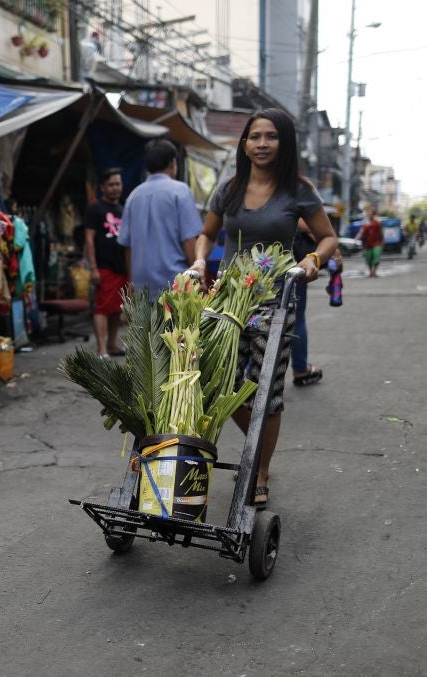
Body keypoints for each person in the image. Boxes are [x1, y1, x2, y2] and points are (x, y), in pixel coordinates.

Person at [189, 108, 337, 509]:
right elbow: (206, 234)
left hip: (275, 301)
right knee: (217, 381)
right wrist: (201, 260)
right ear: (244, 143)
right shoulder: (229, 188)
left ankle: (260, 468)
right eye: (254, 136)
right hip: (228, 300)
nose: (261, 144)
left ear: (283, 142)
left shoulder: (298, 190)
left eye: (270, 136)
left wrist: (313, 261)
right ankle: (249, 448)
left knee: (267, 392)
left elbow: (327, 238)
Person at [117, 139, 202, 298]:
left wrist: (131, 280)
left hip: (142, 286)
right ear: (172, 164)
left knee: (146, 324)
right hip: (175, 284)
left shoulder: (133, 196)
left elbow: (128, 247)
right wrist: (197, 276)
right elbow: (189, 240)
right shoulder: (180, 191)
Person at [291, 220, 343, 387]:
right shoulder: (295, 192)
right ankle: (300, 369)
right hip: (289, 262)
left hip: (253, 261)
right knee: (296, 319)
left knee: (255, 319)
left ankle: (249, 376)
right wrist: (332, 250)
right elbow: (307, 222)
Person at [84, 167, 129, 357]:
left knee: (116, 308)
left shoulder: (123, 208)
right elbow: (89, 239)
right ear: (103, 187)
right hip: (104, 266)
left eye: (118, 184)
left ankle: (112, 344)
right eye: (111, 184)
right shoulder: (95, 208)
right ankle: (101, 349)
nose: (115, 188)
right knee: (102, 307)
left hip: (122, 267)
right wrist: (93, 267)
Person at [356, 205, 383, 278]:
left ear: (373, 214)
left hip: (377, 243)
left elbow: (381, 232)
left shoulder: (377, 223)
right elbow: (361, 232)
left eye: (371, 213)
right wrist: (356, 238)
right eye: (369, 213)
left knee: (376, 256)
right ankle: (371, 272)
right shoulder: (366, 224)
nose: (369, 215)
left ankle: (374, 272)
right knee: (368, 259)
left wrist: (382, 241)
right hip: (367, 244)